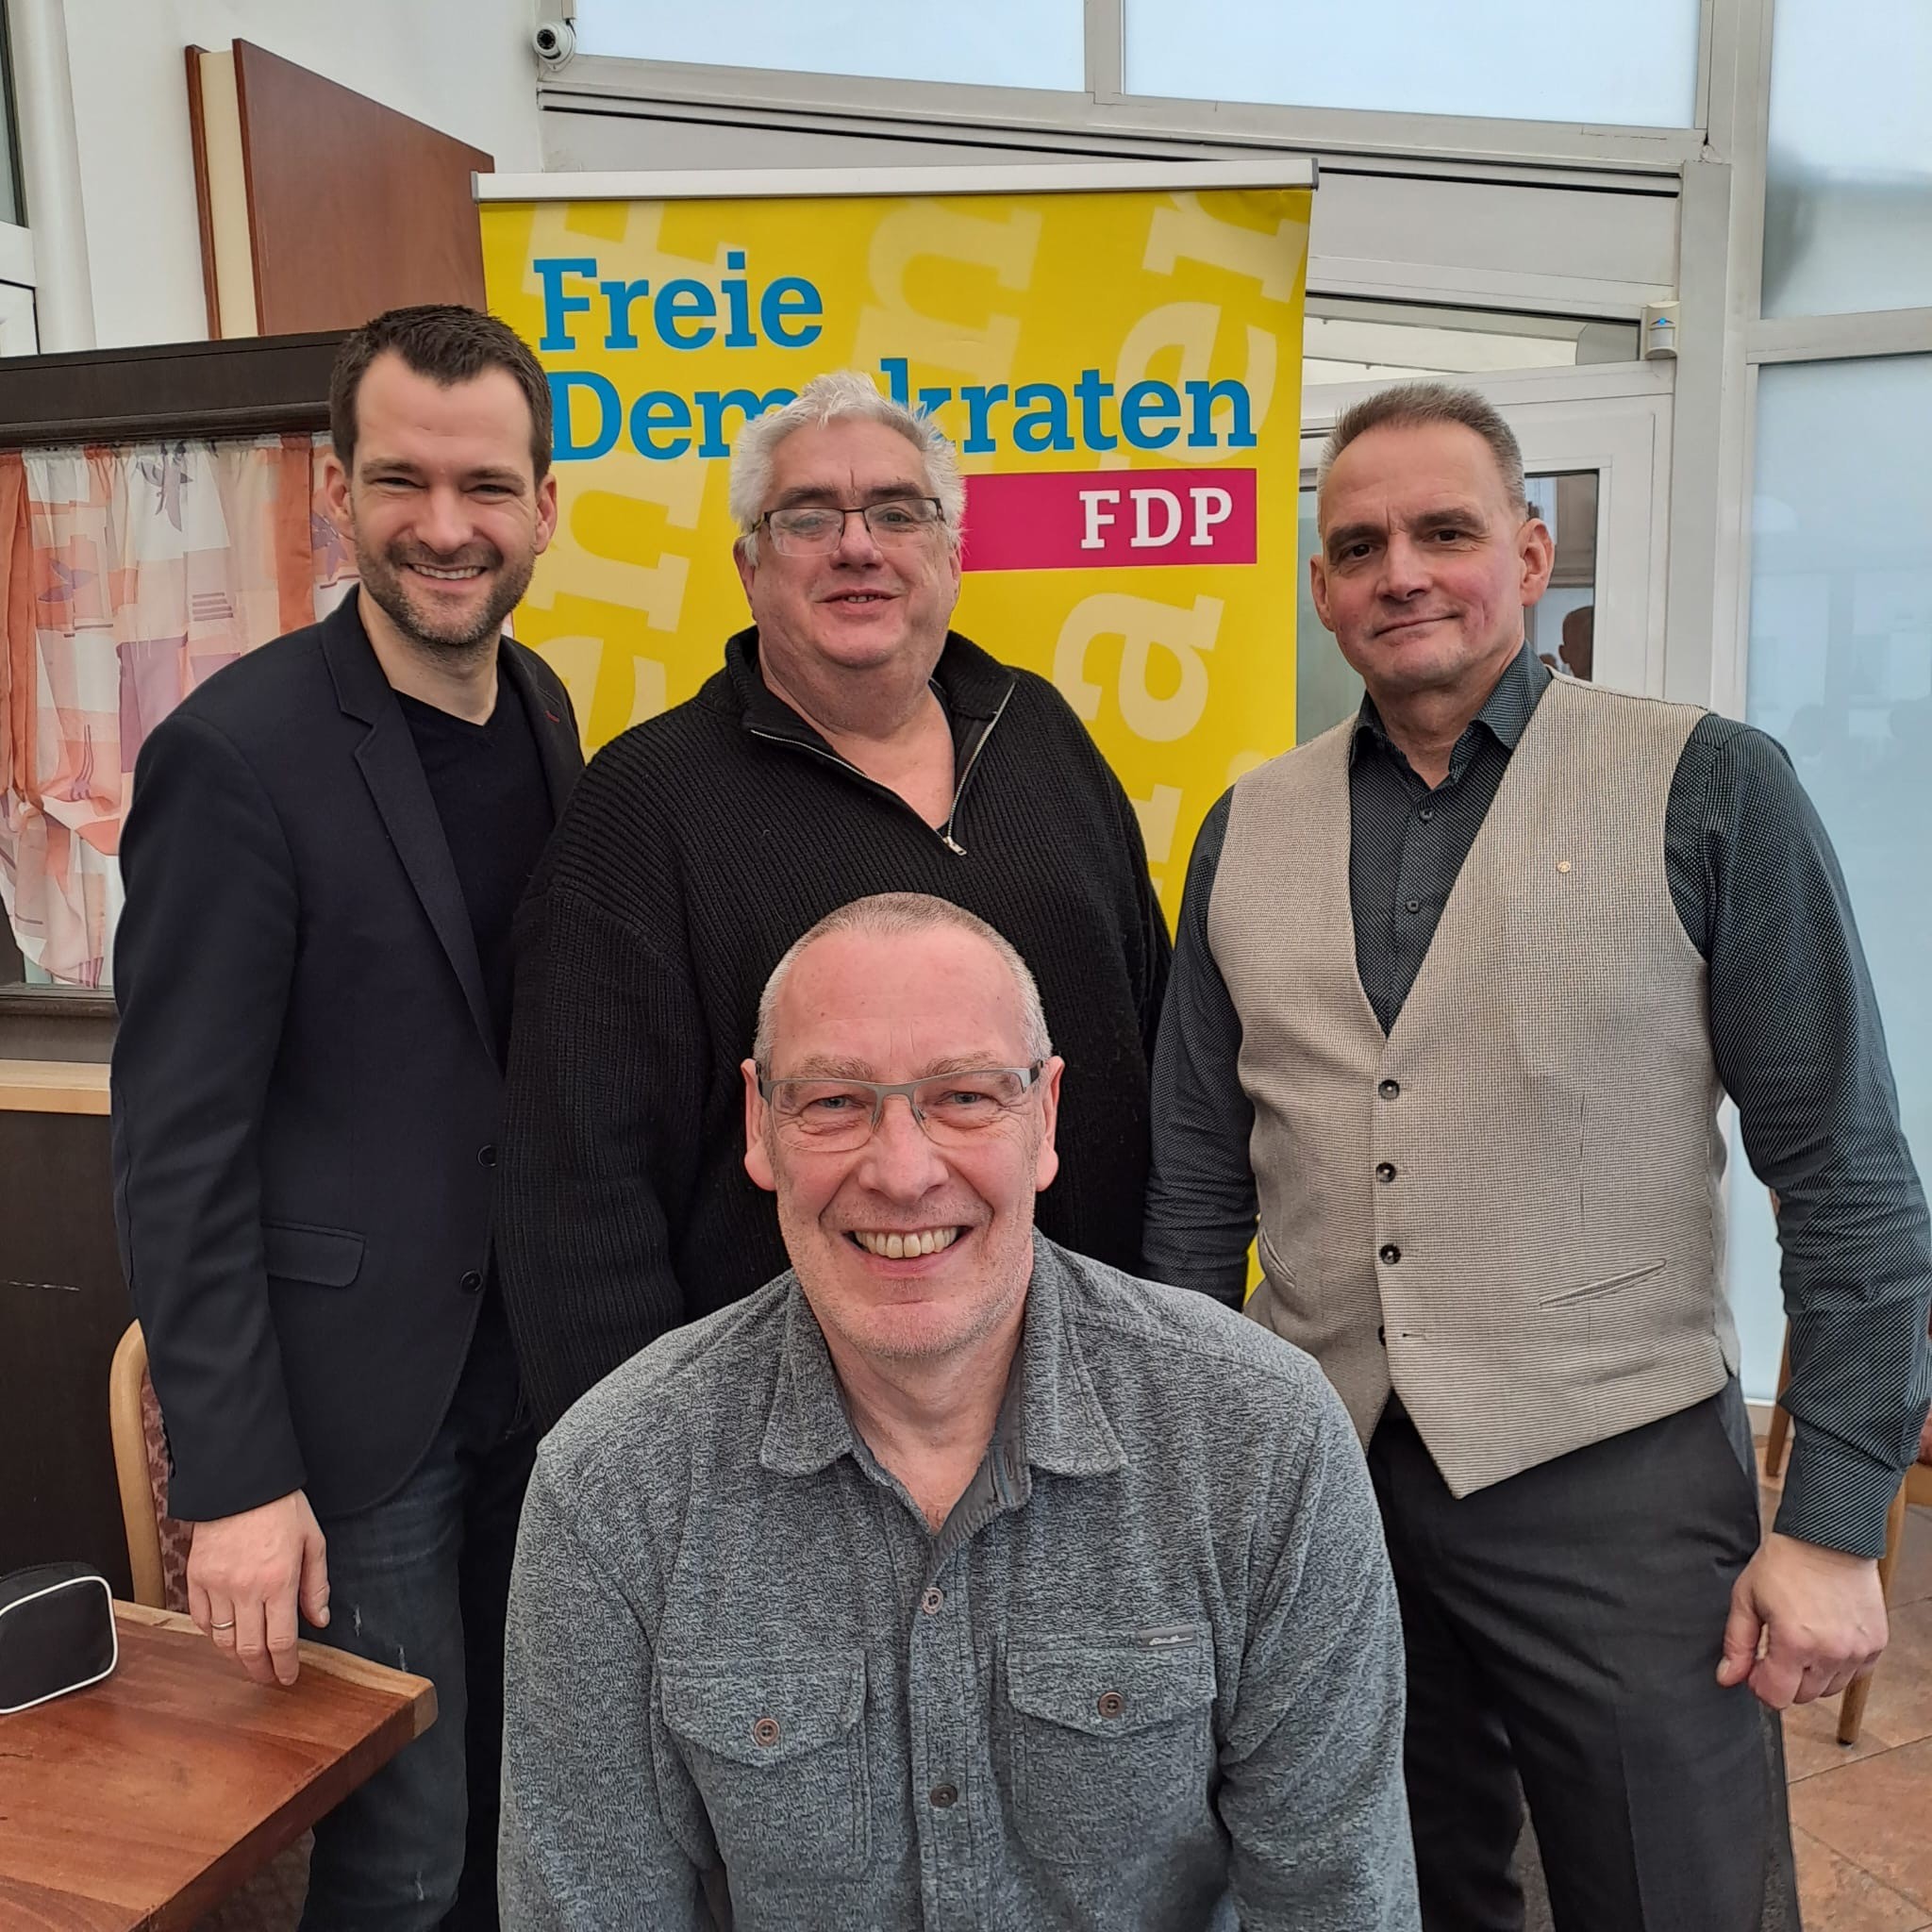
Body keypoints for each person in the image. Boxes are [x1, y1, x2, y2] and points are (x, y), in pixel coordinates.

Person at [1143, 380, 1932, 1931]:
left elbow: (1843, 1171)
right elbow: (1194, 1187)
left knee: (1672, 1890)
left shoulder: (1710, 786)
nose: (1401, 573)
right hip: (1326, 1482)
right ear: (1320, 587)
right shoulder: (1245, 828)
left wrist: (1834, 1520)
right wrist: (1186, 1476)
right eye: (1358, 545)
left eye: (1443, 532)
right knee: (1378, 1889)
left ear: (1526, 549)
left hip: (1616, 1477)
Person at [500, 891, 1418, 1931]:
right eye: (834, 1100)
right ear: (760, 1125)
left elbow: (1336, 1901)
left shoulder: (1262, 1441)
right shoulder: (610, 1490)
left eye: (966, 1096)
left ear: (1045, 1118)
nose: (902, 1170)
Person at [111, 305, 583, 1930]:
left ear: (543, 505)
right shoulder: (232, 755)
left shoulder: (544, 711)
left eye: (486, 486)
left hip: (532, 1388)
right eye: (402, 481)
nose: (446, 526)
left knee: (522, 1811)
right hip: (353, 1427)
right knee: (400, 1855)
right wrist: (235, 1483)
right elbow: (176, 1149)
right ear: (337, 491)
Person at [497, 371, 1169, 1430]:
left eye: (897, 512)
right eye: (807, 517)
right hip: (784, 1452)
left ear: (952, 553)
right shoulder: (642, 809)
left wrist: (1169, 1367)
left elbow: (1156, 1049)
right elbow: (577, 1196)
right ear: (748, 567)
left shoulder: (1043, 737)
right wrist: (643, 1470)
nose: (857, 546)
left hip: (1094, 1414)